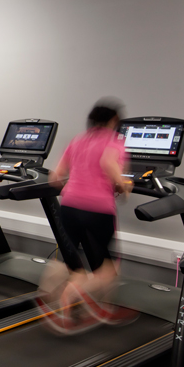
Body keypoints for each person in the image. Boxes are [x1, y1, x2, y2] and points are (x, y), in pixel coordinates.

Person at [42, 98, 136, 332]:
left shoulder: (78, 140)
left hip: (69, 207)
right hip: (97, 210)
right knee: (107, 270)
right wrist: (124, 184)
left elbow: (55, 177)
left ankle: (69, 305)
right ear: (114, 120)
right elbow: (108, 163)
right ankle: (69, 298)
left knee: (78, 266)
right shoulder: (114, 141)